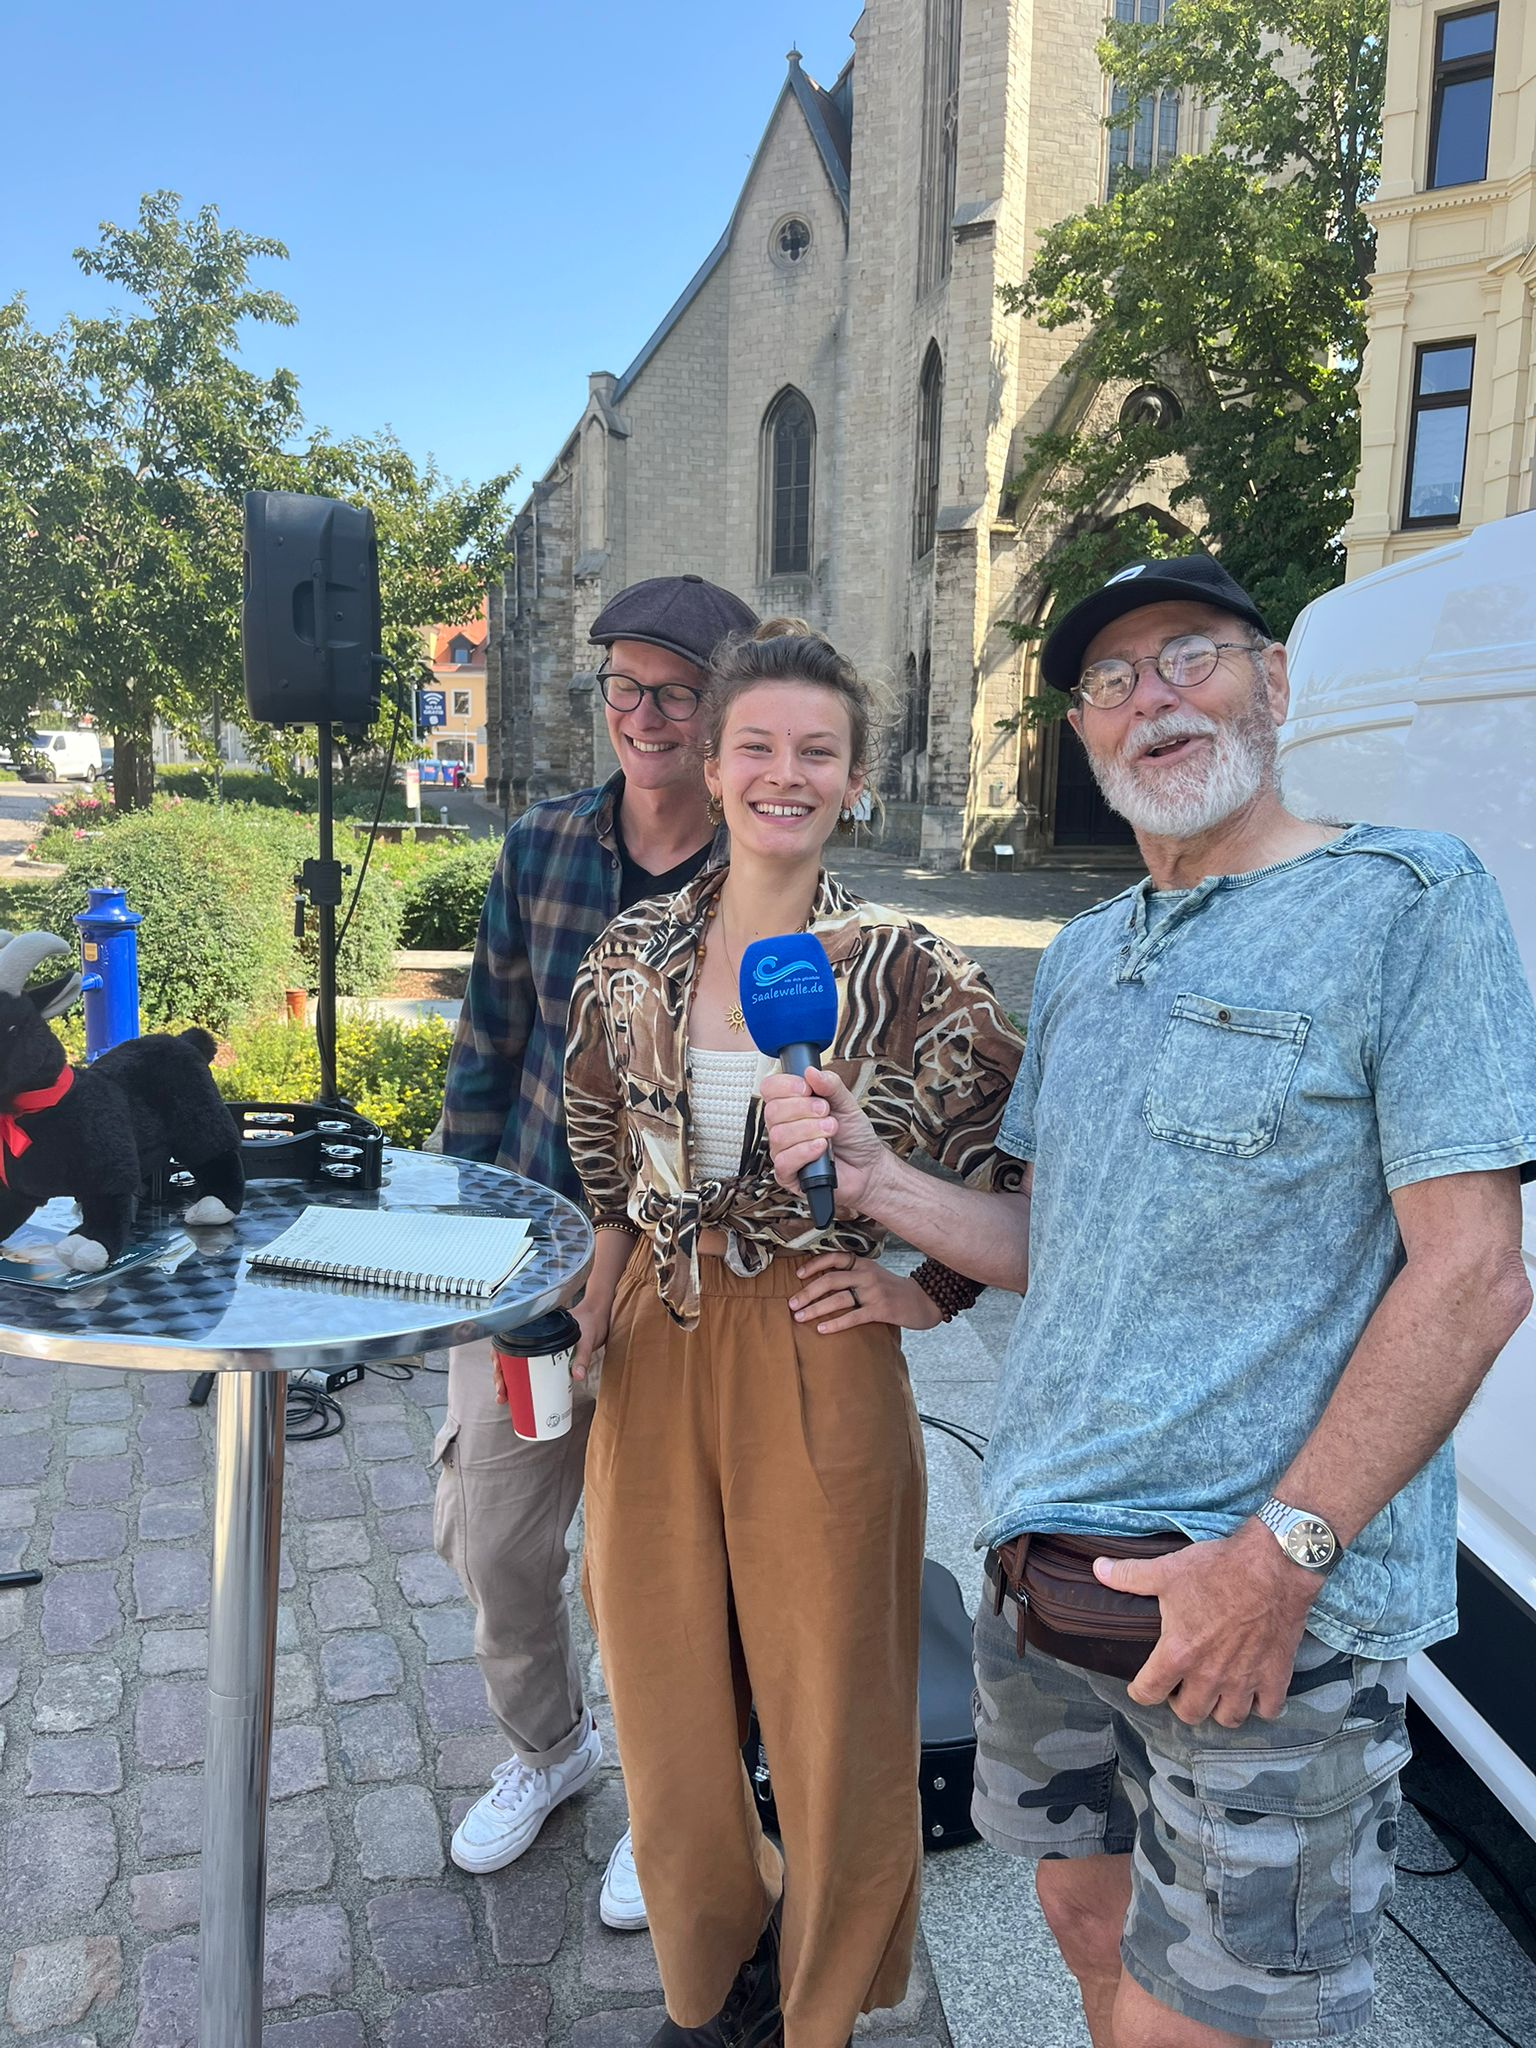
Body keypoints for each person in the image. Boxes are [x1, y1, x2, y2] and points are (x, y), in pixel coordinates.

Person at [762, 555, 1536, 2048]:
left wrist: (1280, 1559)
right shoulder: (1086, 958)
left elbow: (1474, 1274)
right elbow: (1055, 1240)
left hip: (1260, 1617)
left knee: (1212, 2023)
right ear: (1083, 733)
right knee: (1084, 1923)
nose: (1153, 700)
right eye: (1111, 681)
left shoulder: (1407, 901)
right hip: (1049, 1585)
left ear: (1275, 681)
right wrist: (876, 1179)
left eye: (1192, 656)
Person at [563, 629, 1025, 2048]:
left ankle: (817, 2011)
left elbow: (1019, 1179)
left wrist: (925, 1294)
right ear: (709, 766)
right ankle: (718, 1983)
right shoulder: (632, 950)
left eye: (816, 751)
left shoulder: (912, 971)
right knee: (664, 1695)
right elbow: (601, 1148)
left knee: (832, 1707)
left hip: (817, 1339)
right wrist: (590, 1305)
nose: (785, 773)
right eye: (756, 745)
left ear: (855, 779)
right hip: (655, 1338)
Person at [435, 573, 758, 1926]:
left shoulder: (764, 877)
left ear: (724, 708)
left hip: (684, 1281)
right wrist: (469, 1245)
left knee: (662, 1565)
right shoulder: (541, 848)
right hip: (529, 1262)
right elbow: (485, 1050)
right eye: (627, 686)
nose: (646, 714)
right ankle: (548, 1751)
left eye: (678, 692)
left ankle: (670, 1801)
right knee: (495, 1538)